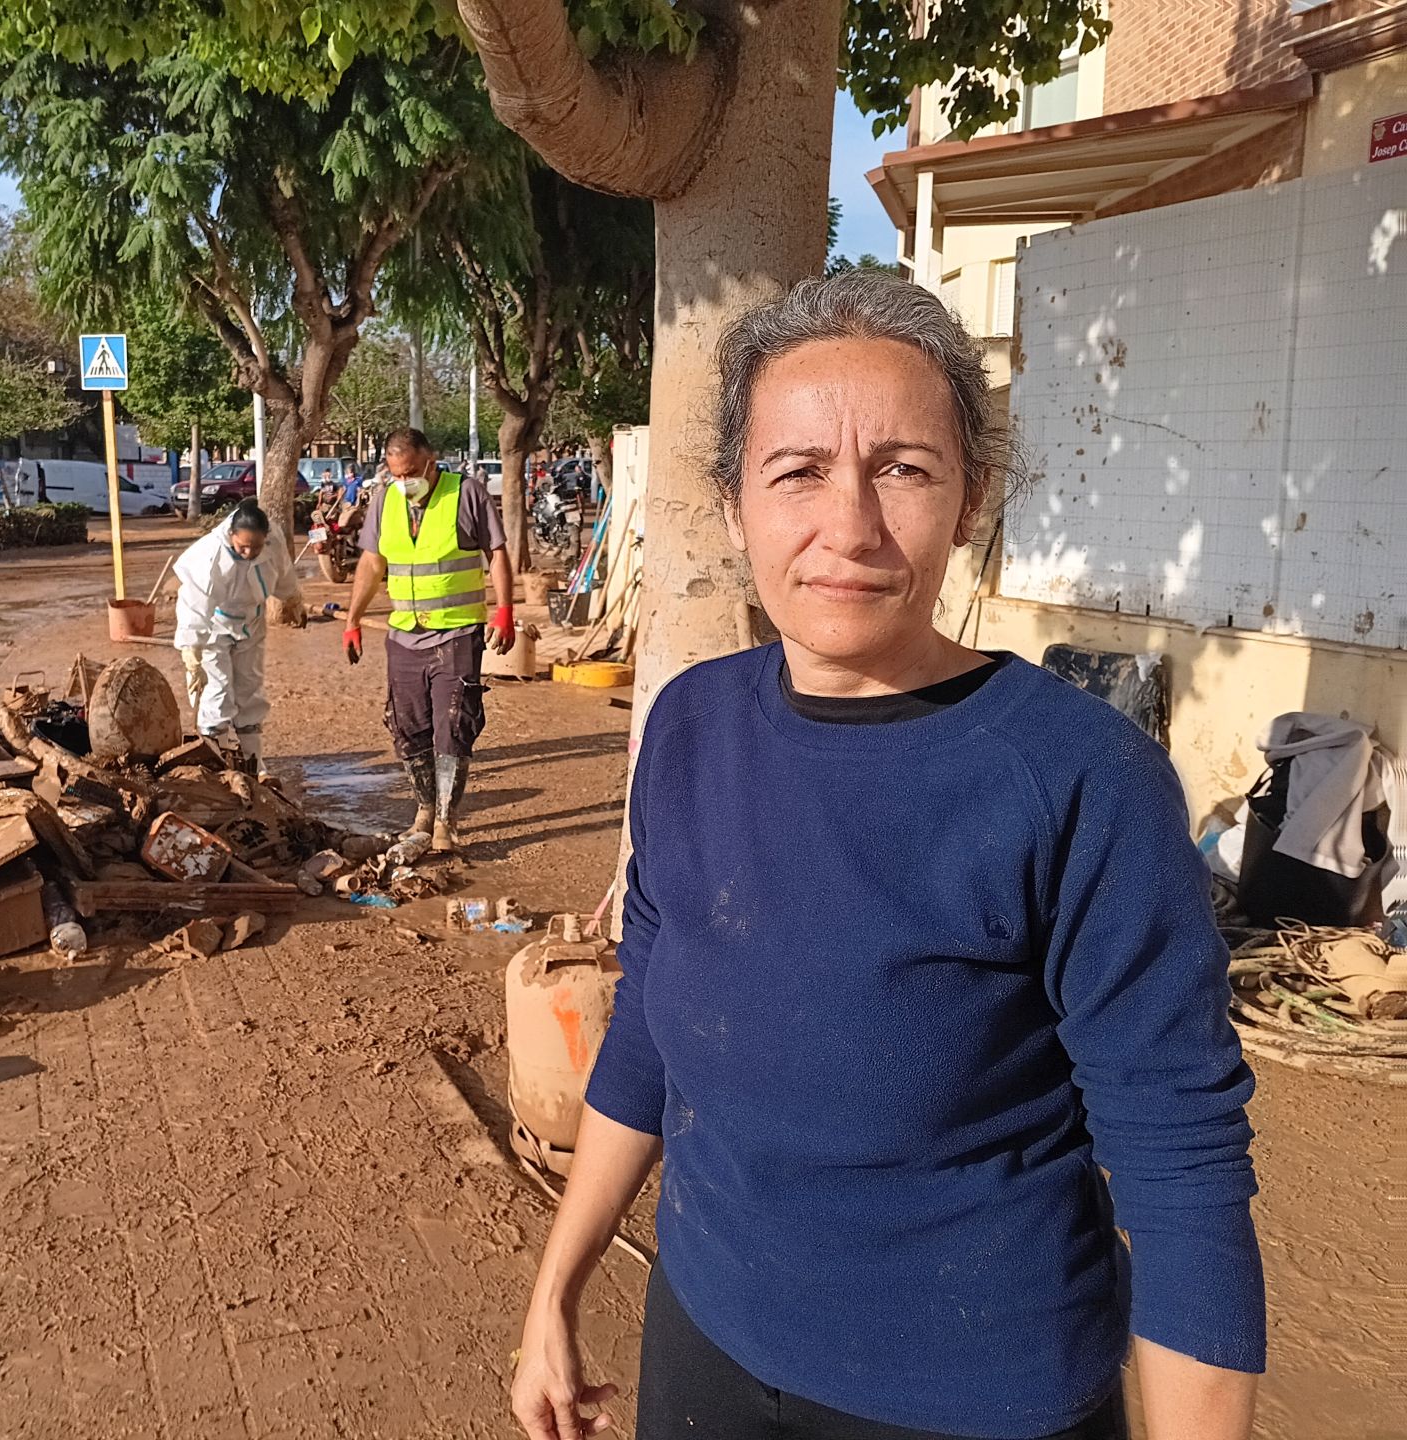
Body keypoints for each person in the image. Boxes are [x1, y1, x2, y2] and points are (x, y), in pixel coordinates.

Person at [511, 272, 1263, 1440]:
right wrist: (554, 1292)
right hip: (704, 1341)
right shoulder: (692, 726)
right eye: (797, 471)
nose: (848, 527)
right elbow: (651, 1029)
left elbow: (1183, 1180)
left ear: (970, 499)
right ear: (732, 504)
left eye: (904, 468)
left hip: (972, 1396)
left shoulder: (1079, 781)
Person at [343, 427, 516, 854]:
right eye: (397, 474)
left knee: (453, 726)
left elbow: (496, 552)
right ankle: (423, 807)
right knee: (407, 728)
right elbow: (371, 562)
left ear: (431, 461)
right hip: (404, 635)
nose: (406, 482)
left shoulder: (467, 493)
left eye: (413, 472)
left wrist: (506, 611)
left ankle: (445, 820)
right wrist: (352, 620)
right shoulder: (385, 499)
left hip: (457, 633)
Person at [172, 499, 302, 777]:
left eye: (255, 547)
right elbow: (195, 603)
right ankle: (217, 760)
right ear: (231, 535)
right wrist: (191, 650)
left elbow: (284, 571)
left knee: (250, 690)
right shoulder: (210, 556)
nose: (249, 552)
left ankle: (253, 762)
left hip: (252, 623)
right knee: (217, 693)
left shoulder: (272, 541)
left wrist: (293, 598)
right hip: (214, 627)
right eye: (243, 546)